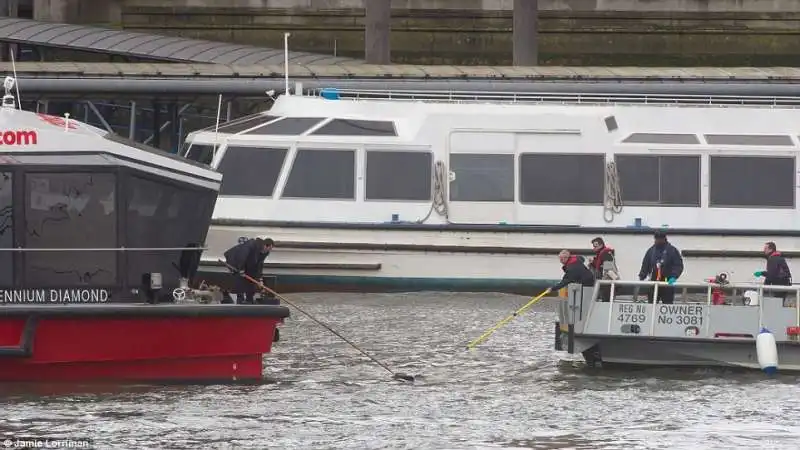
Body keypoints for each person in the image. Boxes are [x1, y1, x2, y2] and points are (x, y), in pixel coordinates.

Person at [222, 237, 274, 304]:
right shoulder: (252, 244)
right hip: (235, 261)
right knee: (239, 278)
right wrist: (241, 269)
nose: (269, 251)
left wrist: (260, 279)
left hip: (248, 264)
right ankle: (240, 299)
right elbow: (242, 255)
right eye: (269, 249)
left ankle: (249, 299)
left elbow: (259, 265)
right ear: (265, 245)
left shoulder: (264, 252)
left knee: (251, 278)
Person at [638, 231, 683, 304]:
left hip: (667, 282)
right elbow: (645, 264)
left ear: (664, 239)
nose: (657, 240)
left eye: (659, 239)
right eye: (656, 239)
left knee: (667, 305)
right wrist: (642, 275)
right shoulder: (651, 251)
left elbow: (678, 265)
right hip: (654, 282)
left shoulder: (672, 250)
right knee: (652, 304)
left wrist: (674, 276)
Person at [590, 237, 619, 302]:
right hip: (605, 283)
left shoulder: (605, 252)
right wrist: (593, 263)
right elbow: (602, 266)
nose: (594, 248)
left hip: (607, 283)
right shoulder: (602, 254)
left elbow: (609, 270)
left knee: (606, 301)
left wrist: (616, 281)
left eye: (595, 246)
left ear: (601, 245)